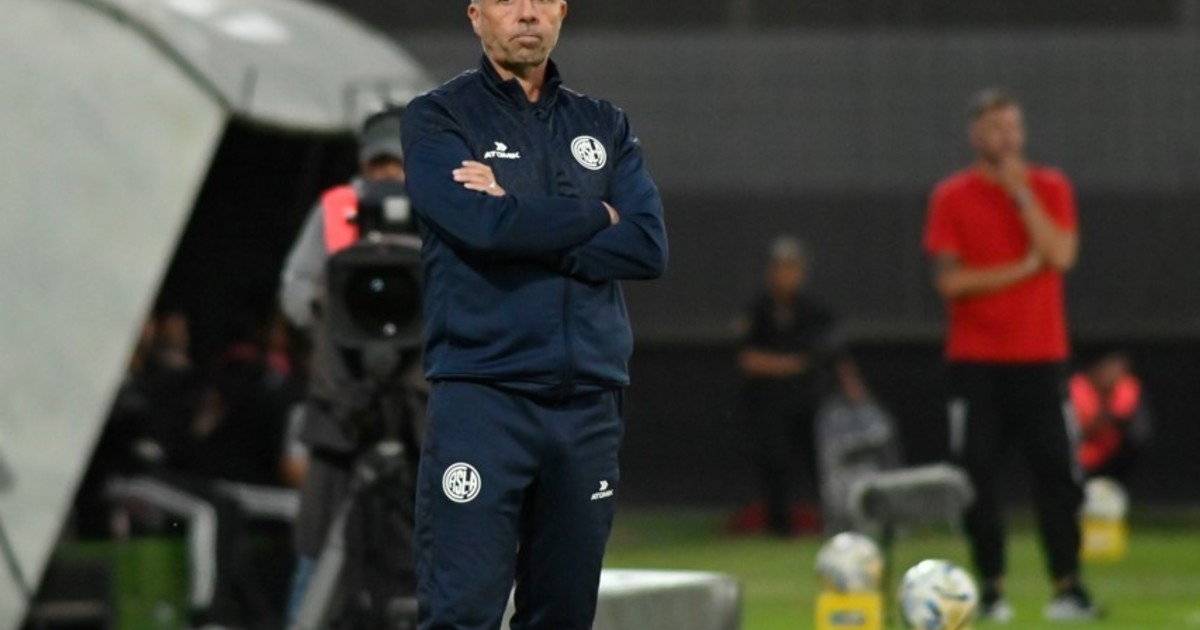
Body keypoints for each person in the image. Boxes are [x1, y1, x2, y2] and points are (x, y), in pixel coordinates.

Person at [400, 0, 668, 626]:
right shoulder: (439, 117)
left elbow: (647, 246)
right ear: (475, 15)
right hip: (484, 399)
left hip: (588, 406)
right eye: (507, 0)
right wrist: (596, 215)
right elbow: (479, 226)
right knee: (461, 615)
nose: (526, 13)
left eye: (540, 0)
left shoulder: (603, 124)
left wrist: (517, 215)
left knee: (564, 617)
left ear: (561, 12)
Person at [923, 89, 1097, 621]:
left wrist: (1022, 195)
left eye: (1013, 127)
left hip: (1041, 356)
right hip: (976, 361)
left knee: (1057, 472)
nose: (1006, 138)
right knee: (978, 475)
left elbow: (1060, 254)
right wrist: (1020, 270)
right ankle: (990, 590)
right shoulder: (952, 196)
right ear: (975, 135)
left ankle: (1068, 587)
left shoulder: (1050, 187)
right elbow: (951, 282)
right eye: (995, 128)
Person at [279, 107, 426, 624]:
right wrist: (332, 309)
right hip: (343, 404)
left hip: (421, 402)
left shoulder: (441, 206)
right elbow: (296, 290)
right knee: (320, 543)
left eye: (396, 164)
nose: (387, 175)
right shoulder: (337, 210)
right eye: (378, 164)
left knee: (438, 538)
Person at [736, 236, 868, 537]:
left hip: (807, 399)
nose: (786, 275)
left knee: (818, 461)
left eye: (792, 268)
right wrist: (791, 364)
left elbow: (831, 354)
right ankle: (780, 527)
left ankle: (829, 520)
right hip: (768, 401)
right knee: (774, 459)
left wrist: (852, 387)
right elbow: (748, 359)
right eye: (781, 267)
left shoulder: (814, 310)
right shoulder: (758, 309)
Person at [1071, 352, 1151, 482]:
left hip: (1110, 458)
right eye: (1107, 370)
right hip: (1078, 452)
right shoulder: (1079, 387)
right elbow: (1085, 429)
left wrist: (1109, 416)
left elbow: (1121, 415)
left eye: (1117, 372)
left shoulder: (1125, 388)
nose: (1111, 376)